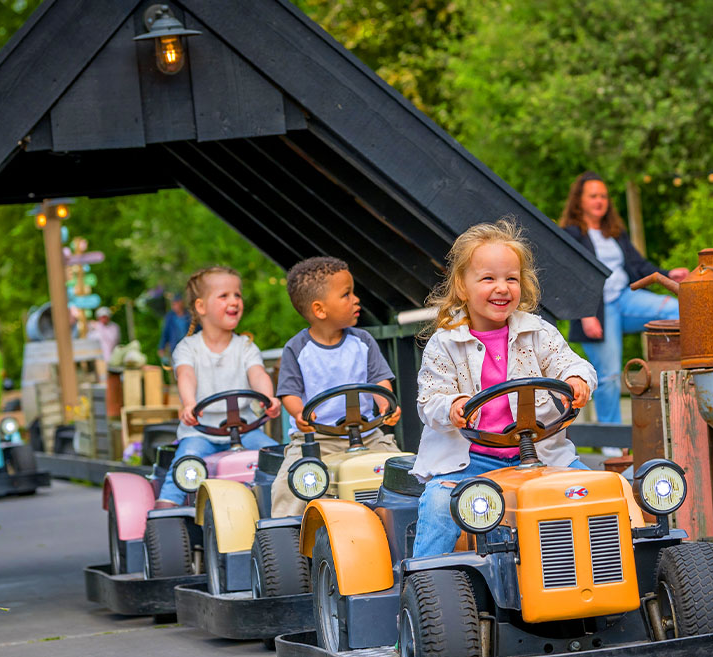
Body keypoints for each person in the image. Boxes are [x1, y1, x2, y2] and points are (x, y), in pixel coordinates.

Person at [410, 219, 596, 558]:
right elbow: (429, 400)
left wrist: (577, 380)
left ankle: (617, 569)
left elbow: (571, 363)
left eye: (511, 279)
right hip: (470, 464)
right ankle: (425, 588)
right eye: (488, 279)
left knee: (600, 494)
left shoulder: (537, 332)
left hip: (539, 456)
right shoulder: (445, 343)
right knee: (440, 505)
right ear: (463, 287)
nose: (502, 287)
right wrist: (453, 406)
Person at [559, 171, 688, 454]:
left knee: (681, 308)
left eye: (603, 196)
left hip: (626, 299)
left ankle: (677, 389)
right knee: (608, 376)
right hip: (597, 309)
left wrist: (669, 275)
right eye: (593, 196)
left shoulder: (614, 232)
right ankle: (611, 446)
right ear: (579, 201)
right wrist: (584, 312)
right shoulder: (571, 234)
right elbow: (569, 276)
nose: (600, 201)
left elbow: (639, 267)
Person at [270, 256, 402, 517]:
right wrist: (300, 414)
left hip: (367, 434)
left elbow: (379, 380)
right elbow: (290, 393)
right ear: (320, 310)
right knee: (290, 482)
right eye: (346, 294)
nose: (356, 299)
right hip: (317, 438)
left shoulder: (363, 341)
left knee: (403, 469)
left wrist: (385, 404)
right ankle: (287, 539)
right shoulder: (297, 349)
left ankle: (405, 527)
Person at [153, 267, 281, 509]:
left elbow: (258, 374)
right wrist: (189, 402)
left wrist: (268, 397)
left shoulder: (245, 346)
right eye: (224, 296)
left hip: (246, 431)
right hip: (202, 434)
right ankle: (165, 509)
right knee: (186, 463)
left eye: (237, 295)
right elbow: (186, 375)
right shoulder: (188, 348)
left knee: (276, 458)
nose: (234, 301)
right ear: (201, 307)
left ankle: (283, 507)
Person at [158, 292, 191, 363]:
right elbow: (165, 333)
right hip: (175, 348)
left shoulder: (190, 315)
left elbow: (198, 330)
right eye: (173, 304)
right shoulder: (169, 317)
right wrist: (161, 348)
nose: (174, 306)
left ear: (181, 303)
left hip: (190, 347)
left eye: (176, 303)